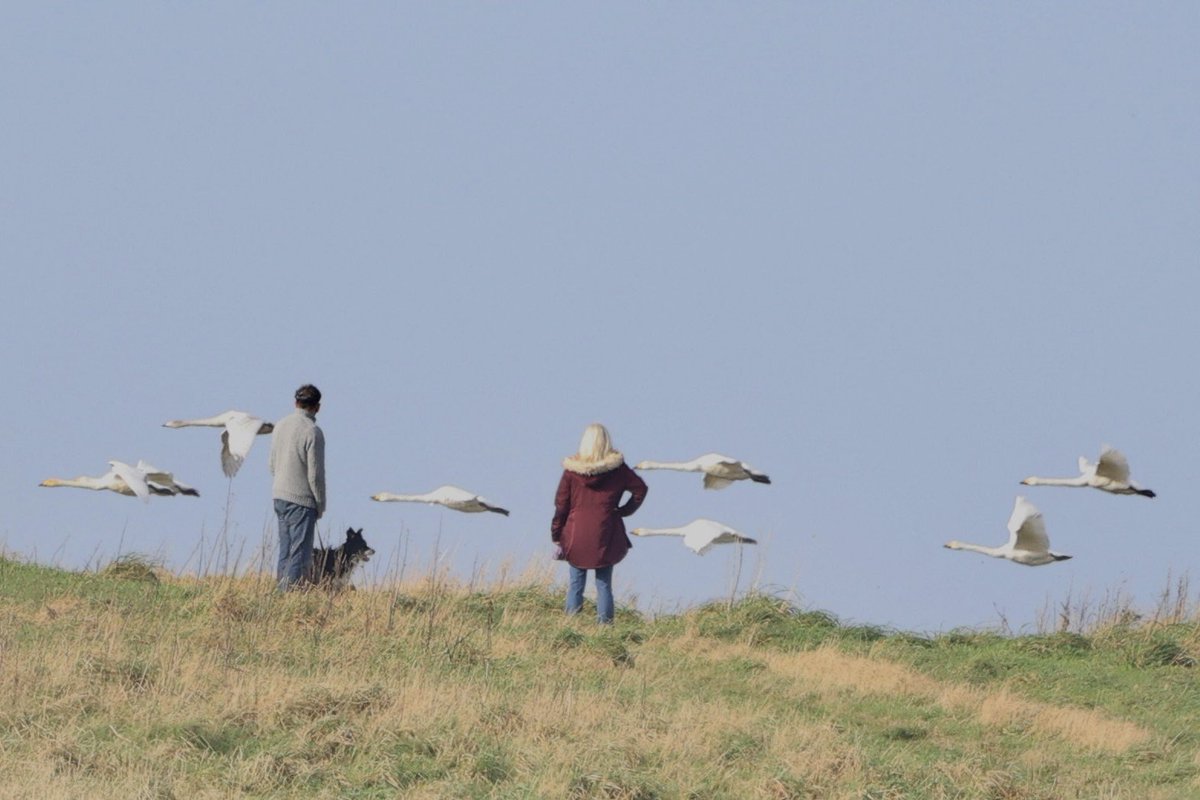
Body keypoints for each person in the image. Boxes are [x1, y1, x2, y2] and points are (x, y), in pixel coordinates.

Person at [551, 423, 647, 623]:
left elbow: (561, 504)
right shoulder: (618, 470)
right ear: (606, 442)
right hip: (606, 531)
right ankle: (605, 629)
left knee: (576, 583)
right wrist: (623, 511)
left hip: (576, 532)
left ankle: (570, 628)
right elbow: (640, 489)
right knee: (604, 584)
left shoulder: (571, 472)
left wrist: (557, 533)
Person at [269, 384, 326, 591]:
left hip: (279, 495)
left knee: (285, 550)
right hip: (301, 499)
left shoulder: (280, 425)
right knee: (299, 553)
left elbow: (272, 464)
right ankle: (289, 597)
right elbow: (315, 475)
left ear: (295, 403)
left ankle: (280, 593)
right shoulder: (313, 431)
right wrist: (320, 504)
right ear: (317, 407)